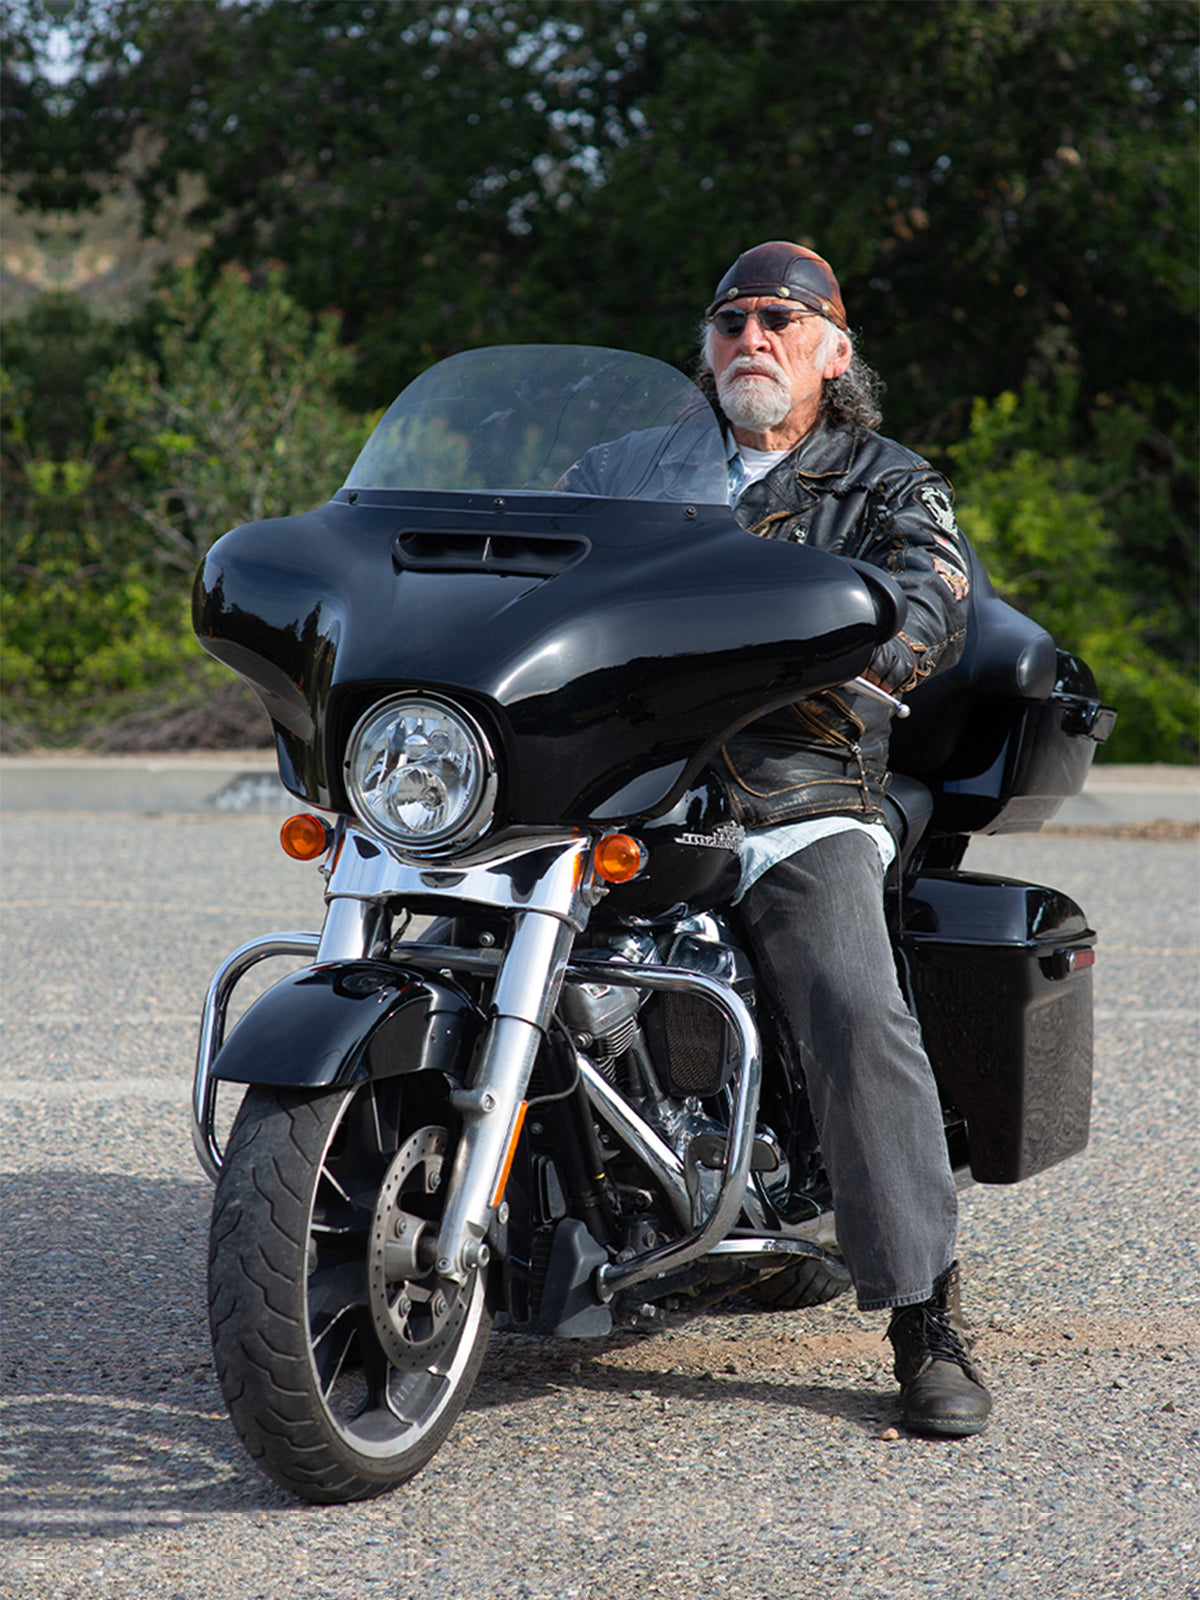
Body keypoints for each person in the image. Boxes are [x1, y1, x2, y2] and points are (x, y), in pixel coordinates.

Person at [699, 240, 991, 1438]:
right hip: (618, 776)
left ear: (832, 352)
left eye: (780, 320)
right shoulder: (631, 467)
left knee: (853, 1003)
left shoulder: (885, 480)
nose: (752, 339)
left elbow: (931, 596)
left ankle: (925, 1310)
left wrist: (878, 647)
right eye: (731, 321)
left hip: (796, 780)